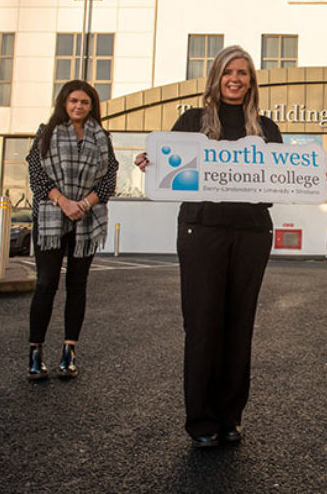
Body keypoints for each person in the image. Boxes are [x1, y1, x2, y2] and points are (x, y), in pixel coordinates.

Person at [135, 46, 283, 448]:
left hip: (251, 233)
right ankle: (201, 421)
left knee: (239, 325)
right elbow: (167, 168)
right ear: (216, 77)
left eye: (243, 73)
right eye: (228, 72)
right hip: (201, 230)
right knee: (202, 324)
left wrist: (305, 177)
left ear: (251, 81)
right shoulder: (191, 122)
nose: (235, 79)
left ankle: (230, 417)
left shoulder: (266, 129)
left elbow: (274, 188)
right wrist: (152, 163)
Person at [26, 80, 118, 380]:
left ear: (92, 106)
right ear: (64, 103)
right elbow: (36, 174)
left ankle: (69, 351)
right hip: (52, 216)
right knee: (46, 284)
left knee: (77, 286)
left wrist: (84, 204)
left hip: (87, 219)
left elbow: (109, 178)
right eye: (74, 101)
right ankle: (36, 352)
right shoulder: (46, 132)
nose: (79, 106)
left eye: (85, 102)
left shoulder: (101, 137)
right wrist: (64, 202)